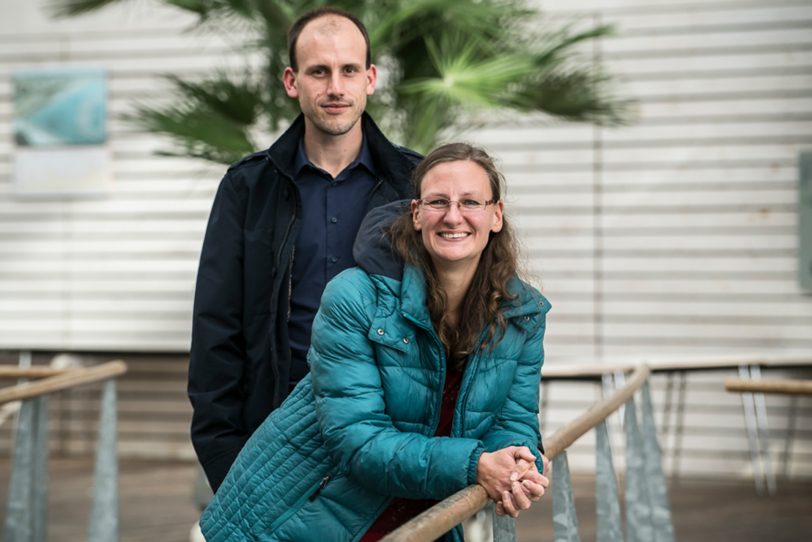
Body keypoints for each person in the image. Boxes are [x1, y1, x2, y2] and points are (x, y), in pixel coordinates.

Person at [199, 143, 551, 541]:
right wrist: (476, 466)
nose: (454, 216)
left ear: (496, 215)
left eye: (471, 201)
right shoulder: (354, 298)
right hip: (295, 520)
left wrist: (519, 463)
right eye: (438, 201)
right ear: (416, 214)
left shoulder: (522, 315)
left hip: (418, 518)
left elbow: (513, 420)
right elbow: (358, 442)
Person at [188, 7, 420, 493]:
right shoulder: (247, 188)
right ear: (292, 81)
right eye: (319, 71)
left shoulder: (415, 184)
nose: (335, 87)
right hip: (273, 435)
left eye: (348, 70)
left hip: (391, 432)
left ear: (370, 79)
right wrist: (225, 460)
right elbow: (216, 330)